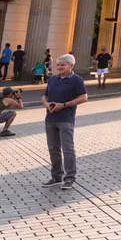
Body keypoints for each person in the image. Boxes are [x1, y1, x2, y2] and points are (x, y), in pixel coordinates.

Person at [41, 54, 87, 189]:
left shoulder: (77, 80)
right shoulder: (53, 79)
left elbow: (84, 97)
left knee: (68, 149)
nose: (60, 67)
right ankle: (56, 176)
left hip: (66, 119)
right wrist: (47, 104)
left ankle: (70, 177)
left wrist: (64, 105)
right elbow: (44, 96)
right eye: (58, 64)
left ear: (71, 66)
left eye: (63, 65)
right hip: (50, 118)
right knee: (53, 148)